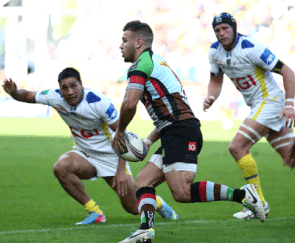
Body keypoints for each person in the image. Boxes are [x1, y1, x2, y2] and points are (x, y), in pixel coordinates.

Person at [112, 20, 265, 243]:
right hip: (175, 130)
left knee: (182, 193)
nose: (121, 45)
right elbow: (168, 114)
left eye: (124, 40)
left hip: (181, 132)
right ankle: (146, 230)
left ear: (138, 42)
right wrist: (147, 140)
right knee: (143, 181)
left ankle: (243, 195)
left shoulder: (139, 66)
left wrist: (120, 131)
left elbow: (128, 104)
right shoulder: (157, 62)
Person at [1, 67, 178, 225]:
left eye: (73, 86)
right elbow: (27, 96)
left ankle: (159, 203)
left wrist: (121, 171)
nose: (70, 91)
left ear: (81, 85)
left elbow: (122, 135)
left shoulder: (98, 102)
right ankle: (94, 212)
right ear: (60, 89)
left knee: (132, 207)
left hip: (111, 156)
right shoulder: (55, 97)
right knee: (61, 167)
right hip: (84, 155)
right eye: (65, 87)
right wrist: (14, 92)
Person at [202, 12, 295, 220]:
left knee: (237, 147)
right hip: (259, 105)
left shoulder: (251, 48)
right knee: (294, 160)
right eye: (217, 30)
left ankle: (258, 203)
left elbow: (288, 71)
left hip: (271, 102)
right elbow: (216, 80)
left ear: (234, 28)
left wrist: (290, 104)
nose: (221, 33)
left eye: (226, 28)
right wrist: (211, 96)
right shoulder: (214, 52)